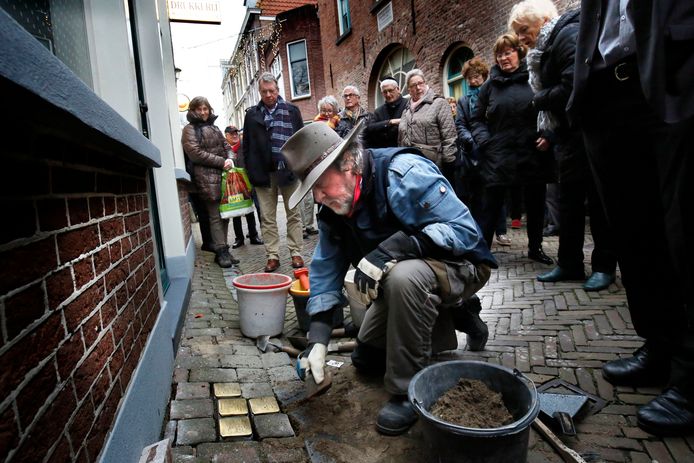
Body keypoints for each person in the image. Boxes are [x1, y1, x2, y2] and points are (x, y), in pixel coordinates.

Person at [281, 121, 497, 436]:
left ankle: (409, 390)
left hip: (461, 264)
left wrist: (393, 249)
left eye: (319, 183)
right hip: (411, 275)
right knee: (365, 359)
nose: (317, 196)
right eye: (310, 187)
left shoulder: (402, 173)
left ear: (349, 164)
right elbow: (325, 269)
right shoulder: (333, 211)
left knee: (402, 277)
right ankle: (459, 313)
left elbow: (464, 232)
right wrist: (318, 340)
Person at [567, 0, 694, 436]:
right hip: (607, 91)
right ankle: (659, 344)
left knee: (683, 229)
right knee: (635, 232)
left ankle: (692, 373)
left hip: (674, 68)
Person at [509, 0, 618, 291]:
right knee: (569, 202)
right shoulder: (546, 46)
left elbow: (574, 86)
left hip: (588, 131)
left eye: (523, 30)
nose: (520, 38)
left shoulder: (566, 35)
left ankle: (604, 266)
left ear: (544, 19)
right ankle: (569, 263)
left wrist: (539, 100)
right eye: (518, 32)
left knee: (596, 202)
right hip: (569, 134)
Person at [470, 34, 555, 265]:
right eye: (499, 54)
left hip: (532, 150)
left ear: (519, 52)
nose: (504, 58)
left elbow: (550, 109)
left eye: (508, 52)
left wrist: (548, 134)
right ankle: (484, 251)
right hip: (499, 151)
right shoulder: (490, 86)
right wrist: (485, 141)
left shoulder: (534, 78)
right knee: (492, 203)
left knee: (536, 202)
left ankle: (535, 248)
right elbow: (476, 119)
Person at [242, 72, 305, 272]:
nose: (268, 95)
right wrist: (249, 172)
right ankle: (272, 255)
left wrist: (301, 166)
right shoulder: (252, 114)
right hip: (263, 172)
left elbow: (301, 140)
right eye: (264, 91)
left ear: (277, 90)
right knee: (267, 217)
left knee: (293, 214)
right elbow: (247, 146)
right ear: (259, 92)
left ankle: (296, 253)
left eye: (271, 91)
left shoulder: (292, 110)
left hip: (288, 169)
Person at [454, 57, 511, 247]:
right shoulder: (463, 101)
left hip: (494, 149)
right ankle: (479, 232)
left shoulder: (493, 93)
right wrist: (472, 141)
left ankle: (500, 231)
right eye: (469, 78)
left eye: (476, 76)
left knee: (496, 190)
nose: (472, 81)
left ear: (484, 76)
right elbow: (461, 124)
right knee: (477, 194)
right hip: (474, 153)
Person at [181, 96, 239, 268]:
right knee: (214, 215)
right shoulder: (189, 130)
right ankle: (220, 252)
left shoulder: (214, 127)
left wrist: (230, 158)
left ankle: (225, 249)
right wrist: (222, 162)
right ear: (192, 111)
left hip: (223, 177)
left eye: (205, 108)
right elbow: (195, 153)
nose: (203, 112)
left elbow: (226, 146)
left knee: (225, 214)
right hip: (206, 177)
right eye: (199, 109)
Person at [398, 69, 458, 184]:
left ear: (425, 83)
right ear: (409, 90)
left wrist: (449, 163)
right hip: (412, 166)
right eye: (414, 85)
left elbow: (449, 136)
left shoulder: (439, 103)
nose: (418, 88)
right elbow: (400, 138)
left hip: (435, 165)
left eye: (421, 83)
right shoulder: (406, 109)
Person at [224, 125, 263, 249]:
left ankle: (253, 235)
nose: (235, 135)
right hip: (232, 185)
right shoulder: (225, 149)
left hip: (247, 182)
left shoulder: (244, 147)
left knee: (249, 210)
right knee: (235, 211)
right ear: (226, 136)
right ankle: (239, 238)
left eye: (236, 133)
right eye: (232, 134)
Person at [364, 77, 407, 148]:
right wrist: (390, 122)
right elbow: (369, 128)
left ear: (398, 89)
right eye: (385, 92)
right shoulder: (378, 111)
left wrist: (382, 127)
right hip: (386, 151)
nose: (388, 95)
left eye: (390, 90)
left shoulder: (408, 104)